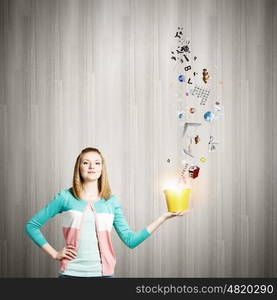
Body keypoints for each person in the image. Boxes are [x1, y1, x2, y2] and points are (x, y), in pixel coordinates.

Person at [25, 147, 188, 278]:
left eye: (97, 163)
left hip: (104, 275)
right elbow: (31, 226)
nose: (91, 167)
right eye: (86, 163)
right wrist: (54, 254)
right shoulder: (65, 197)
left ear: (102, 168)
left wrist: (163, 218)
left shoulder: (111, 201)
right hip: (70, 274)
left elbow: (130, 240)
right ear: (78, 167)